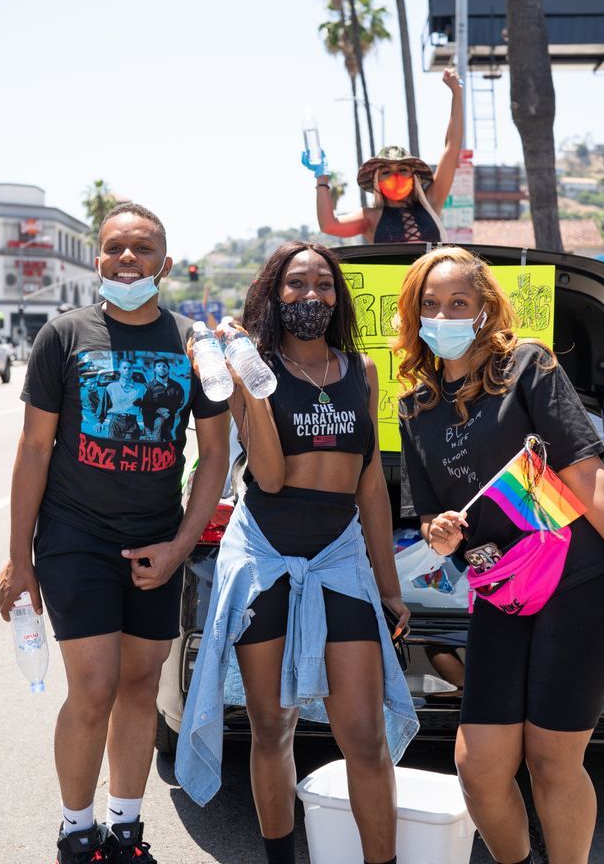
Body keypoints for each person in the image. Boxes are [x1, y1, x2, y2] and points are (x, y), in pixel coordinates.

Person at [394, 246, 604, 864]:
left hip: (580, 581)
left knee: (552, 760)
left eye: (458, 302)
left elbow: (587, 472)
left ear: (484, 309)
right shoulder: (414, 406)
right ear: (414, 314)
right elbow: (428, 514)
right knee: (478, 768)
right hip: (500, 590)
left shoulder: (526, 366)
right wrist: (440, 533)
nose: (443, 313)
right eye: (430, 303)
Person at [0, 203, 229, 864]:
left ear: (164, 259)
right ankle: (77, 832)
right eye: (115, 248)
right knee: (95, 686)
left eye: (142, 248)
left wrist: (180, 545)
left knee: (138, 687)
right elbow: (35, 450)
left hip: (157, 540)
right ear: (98, 258)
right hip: (77, 537)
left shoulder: (191, 342)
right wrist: (20, 560)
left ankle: (125, 830)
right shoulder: (64, 336)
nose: (128, 260)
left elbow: (212, 455)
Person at [176, 241, 418, 864]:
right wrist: (253, 389)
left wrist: (388, 587)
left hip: (338, 559)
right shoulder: (247, 368)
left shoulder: (360, 371)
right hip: (266, 556)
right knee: (272, 727)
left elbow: (370, 486)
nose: (311, 296)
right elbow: (272, 479)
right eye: (296, 285)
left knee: (364, 738)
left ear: (338, 299)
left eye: (324, 286)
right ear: (273, 295)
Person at [305, 68, 463, 244]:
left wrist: (456, 92)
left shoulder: (432, 202)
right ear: (376, 181)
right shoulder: (370, 217)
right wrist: (322, 178)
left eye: (403, 169)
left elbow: (452, 147)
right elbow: (329, 225)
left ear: (414, 177)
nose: (395, 176)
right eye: (386, 172)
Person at [96, 357, 145, 440]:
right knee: (114, 449)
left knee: (130, 450)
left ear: (132, 370)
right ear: (120, 370)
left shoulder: (141, 388)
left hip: (132, 423)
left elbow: (147, 408)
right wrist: (99, 422)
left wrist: (147, 425)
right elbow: (103, 405)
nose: (127, 370)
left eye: (130, 368)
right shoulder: (111, 387)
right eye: (124, 368)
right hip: (115, 423)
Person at [142, 357, 185, 441]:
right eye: (159, 366)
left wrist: (172, 411)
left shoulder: (176, 387)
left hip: (171, 428)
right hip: (154, 429)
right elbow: (144, 409)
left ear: (168, 369)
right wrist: (147, 430)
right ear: (154, 369)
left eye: (164, 366)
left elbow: (181, 404)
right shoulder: (148, 387)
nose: (162, 368)